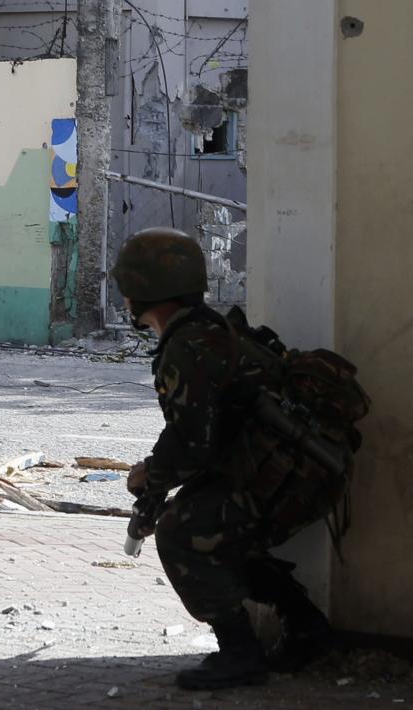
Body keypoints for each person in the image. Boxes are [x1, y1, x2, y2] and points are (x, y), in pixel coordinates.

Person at [112, 227, 341, 691]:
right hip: (307, 471)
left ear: (142, 292)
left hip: (291, 477)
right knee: (221, 535)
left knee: (181, 533)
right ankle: (307, 627)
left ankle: (239, 652)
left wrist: (148, 479)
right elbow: (201, 437)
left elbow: (190, 444)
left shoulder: (186, 347)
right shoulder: (210, 331)